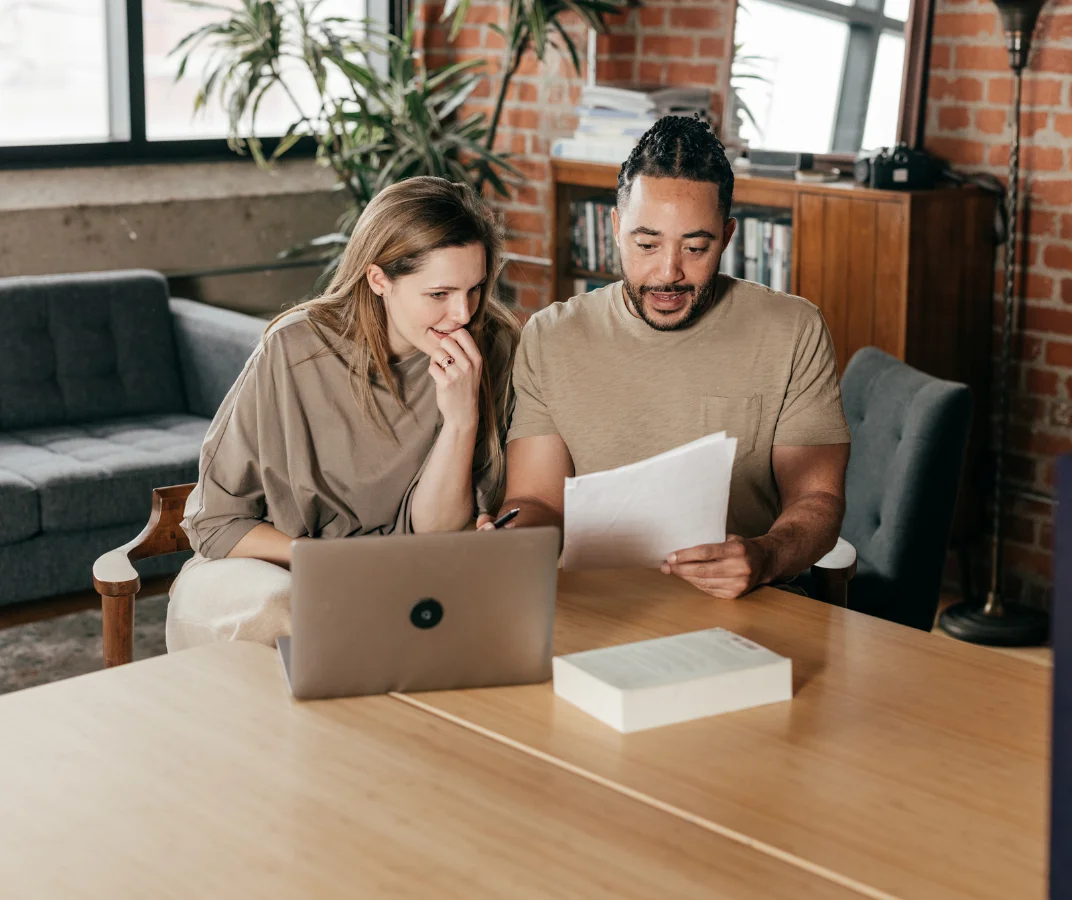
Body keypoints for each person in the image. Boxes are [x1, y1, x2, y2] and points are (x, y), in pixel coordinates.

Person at [484, 116, 851, 600]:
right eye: (647, 244)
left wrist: (766, 555)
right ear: (616, 229)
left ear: (727, 236)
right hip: (599, 604)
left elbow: (817, 499)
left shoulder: (793, 331)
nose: (669, 272)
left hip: (746, 601)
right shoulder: (551, 336)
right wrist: (514, 540)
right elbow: (536, 501)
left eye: (696, 247)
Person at [167, 177, 519, 651]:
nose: (462, 313)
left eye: (475, 289)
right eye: (439, 294)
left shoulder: (492, 344)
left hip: (405, 579)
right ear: (379, 280)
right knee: (295, 613)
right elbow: (216, 524)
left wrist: (460, 420)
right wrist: (337, 564)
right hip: (270, 576)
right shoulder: (294, 349)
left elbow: (438, 535)